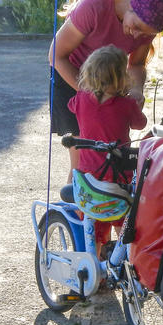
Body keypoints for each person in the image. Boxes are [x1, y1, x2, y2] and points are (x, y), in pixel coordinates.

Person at [49, 0, 163, 172]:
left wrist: (136, 91)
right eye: (138, 27)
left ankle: (103, 200)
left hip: (109, 85)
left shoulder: (146, 26)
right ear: (132, 5)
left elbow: (136, 64)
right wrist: (91, 96)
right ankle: (77, 198)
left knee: (110, 159)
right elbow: (56, 56)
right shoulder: (94, 5)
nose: (136, 36)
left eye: (145, 34)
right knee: (83, 161)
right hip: (71, 75)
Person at [68, 45, 148, 254]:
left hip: (88, 180)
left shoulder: (81, 100)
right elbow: (140, 124)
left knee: (95, 225)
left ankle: (95, 267)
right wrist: (137, 101)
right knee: (124, 221)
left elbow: (71, 106)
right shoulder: (126, 104)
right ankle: (126, 264)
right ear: (121, 77)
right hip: (118, 179)